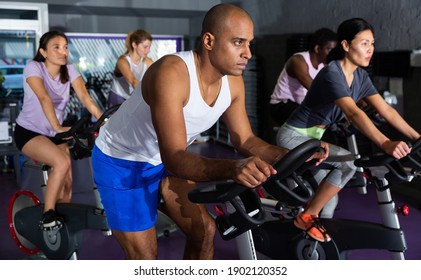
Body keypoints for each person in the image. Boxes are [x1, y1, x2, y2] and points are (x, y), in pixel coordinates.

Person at [92, 3, 327, 260]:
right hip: (122, 162)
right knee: (145, 259)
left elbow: (245, 140)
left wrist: (288, 155)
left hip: (163, 161)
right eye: (238, 42)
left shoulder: (233, 82)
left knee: (204, 230)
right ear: (209, 40)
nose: (247, 53)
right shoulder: (171, 74)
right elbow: (175, 156)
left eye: (250, 43)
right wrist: (232, 169)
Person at [276, 18, 420, 243]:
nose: (370, 49)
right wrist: (385, 143)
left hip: (314, 140)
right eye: (364, 43)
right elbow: (353, 113)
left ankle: (312, 246)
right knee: (348, 163)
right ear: (345, 45)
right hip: (294, 136)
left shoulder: (361, 77)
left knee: (328, 200)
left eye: (372, 43)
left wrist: (417, 137)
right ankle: (305, 218)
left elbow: (387, 111)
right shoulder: (332, 73)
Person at [14, 31, 103, 230]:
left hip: (55, 133)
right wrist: (57, 127)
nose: (63, 51)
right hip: (28, 132)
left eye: (65, 47)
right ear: (43, 52)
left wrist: (103, 120)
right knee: (61, 162)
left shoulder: (69, 69)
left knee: (68, 179)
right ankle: (47, 216)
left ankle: (61, 217)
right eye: (56, 47)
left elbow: (86, 98)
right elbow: (44, 98)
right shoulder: (33, 67)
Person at [269, 28, 337, 126]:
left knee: (332, 126)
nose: (332, 54)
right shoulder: (298, 60)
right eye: (330, 49)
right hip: (282, 105)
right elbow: (314, 89)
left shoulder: (324, 66)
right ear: (317, 48)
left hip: (300, 105)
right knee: (320, 121)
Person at [107, 29, 153, 107]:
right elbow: (133, 81)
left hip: (131, 98)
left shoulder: (148, 61)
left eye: (149, 47)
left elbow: (158, 76)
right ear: (134, 45)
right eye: (145, 47)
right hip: (118, 98)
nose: (148, 51)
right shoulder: (123, 61)